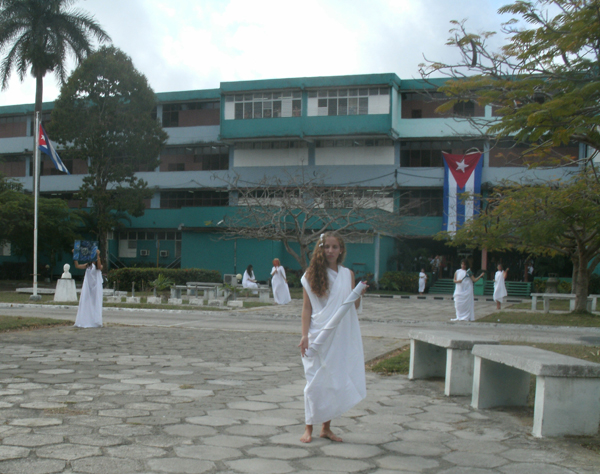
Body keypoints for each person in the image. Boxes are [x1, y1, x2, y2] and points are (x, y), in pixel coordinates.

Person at [298, 232, 368, 443]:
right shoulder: (311, 274)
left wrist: (358, 294)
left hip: (339, 335)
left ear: (341, 250)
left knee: (334, 381)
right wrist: (304, 335)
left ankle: (326, 428)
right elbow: (306, 307)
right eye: (326, 246)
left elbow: (352, 307)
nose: (330, 251)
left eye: (334, 247)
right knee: (313, 381)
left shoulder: (348, 274)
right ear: (321, 248)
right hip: (317, 334)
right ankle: (308, 427)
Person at [73, 248, 103, 328]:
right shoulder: (88, 265)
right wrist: (75, 256)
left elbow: (99, 267)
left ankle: (95, 320)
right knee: (86, 302)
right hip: (88, 287)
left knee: (95, 303)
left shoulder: (97, 266)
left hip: (95, 287)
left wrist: (98, 256)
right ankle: (86, 319)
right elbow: (77, 266)